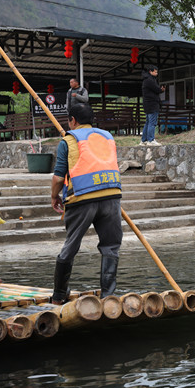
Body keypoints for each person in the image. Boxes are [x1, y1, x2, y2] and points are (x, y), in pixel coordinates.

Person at [50, 103, 122, 304]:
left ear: (73, 120)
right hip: (111, 195)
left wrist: (54, 196)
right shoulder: (107, 137)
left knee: (71, 245)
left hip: (81, 198)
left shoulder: (68, 140)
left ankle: (58, 296)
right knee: (111, 247)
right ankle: (109, 296)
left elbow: (58, 178)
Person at [141, 65, 165, 146]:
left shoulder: (146, 79)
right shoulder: (150, 80)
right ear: (150, 72)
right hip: (152, 104)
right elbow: (157, 89)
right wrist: (161, 90)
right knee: (152, 123)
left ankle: (144, 140)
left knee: (148, 122)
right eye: (155, 72)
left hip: (147, 104)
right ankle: (150, 140)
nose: (156, 73)